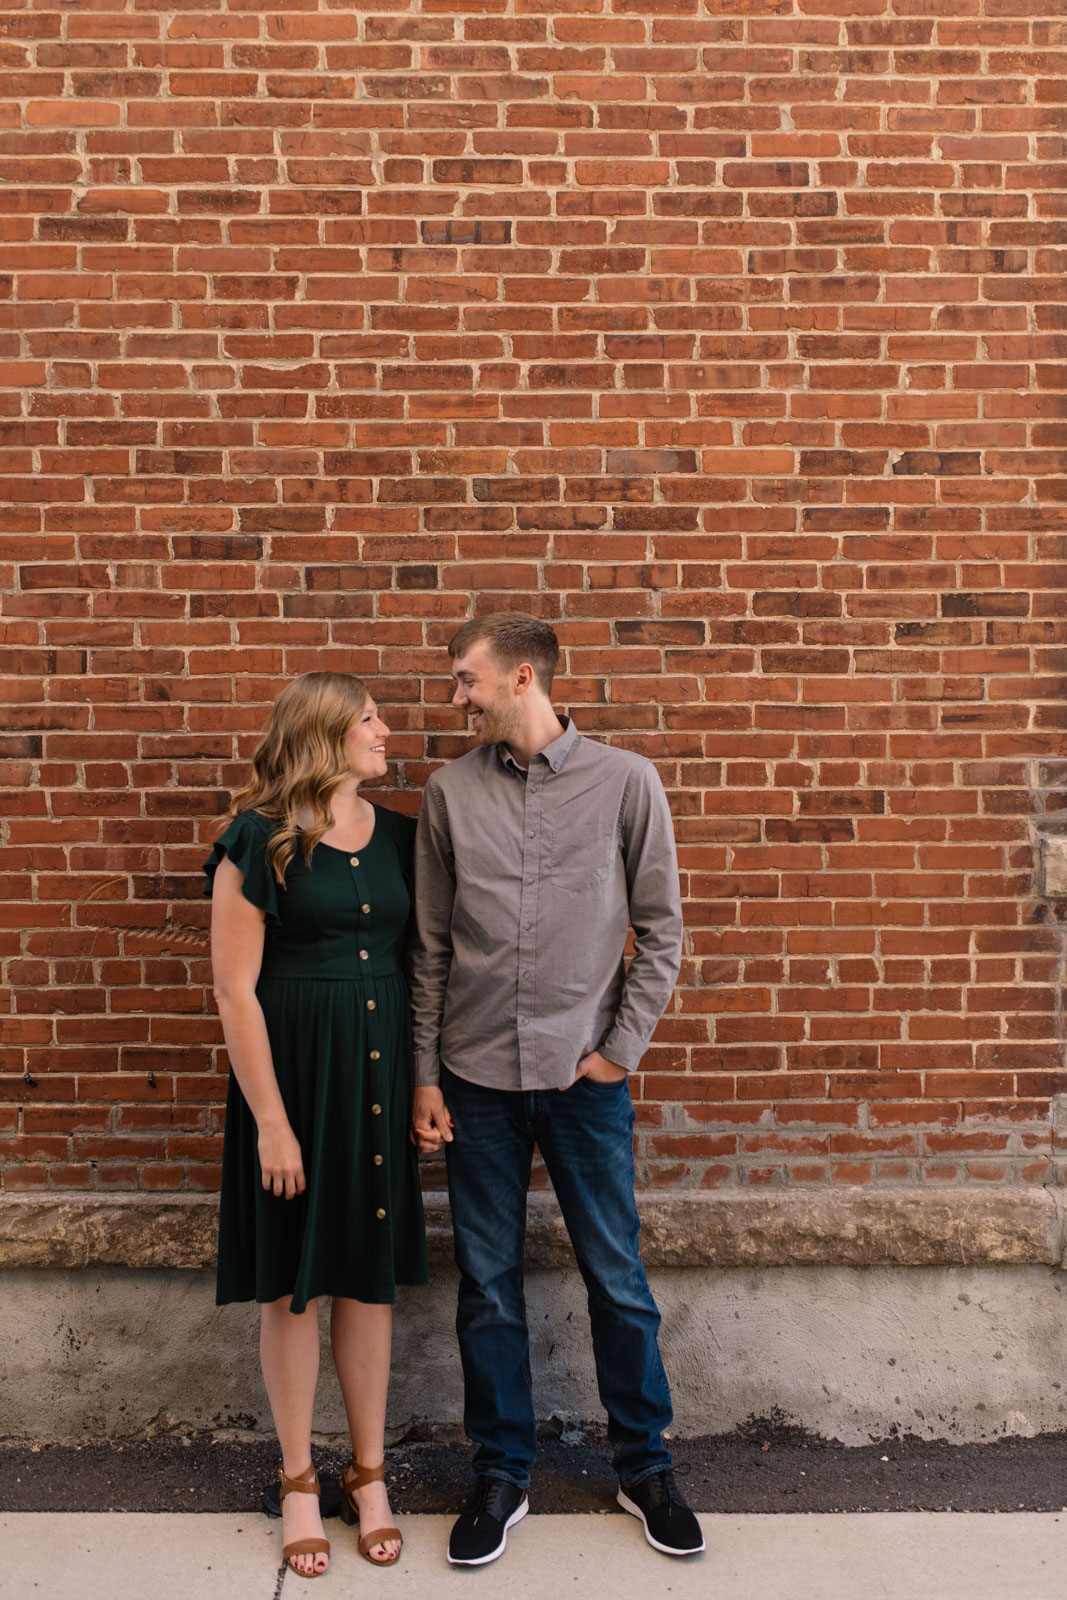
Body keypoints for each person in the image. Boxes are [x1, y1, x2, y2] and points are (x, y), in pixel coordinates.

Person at [409, 614, 704, 1566]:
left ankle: (643, 1466)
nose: (456, 697)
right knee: (487, 1287)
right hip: (475, 1076)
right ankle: (501, 1472)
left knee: (617, 1279)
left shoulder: (626, 782)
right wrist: (423, 1073)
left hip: (585, 1079)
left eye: (466, 681)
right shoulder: (449, 793)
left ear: (521, 677)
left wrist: (617, 1053)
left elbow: (661, 931)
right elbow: (431, 950)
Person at [204, 672, 427, 1578]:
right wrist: (271, 1122)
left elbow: (424, 969)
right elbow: (232, 989)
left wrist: (421, 1087)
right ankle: (298, 1478)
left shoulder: (405, 839)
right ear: (325, 735)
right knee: (293, 1282)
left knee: (366, 1278)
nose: (385, 730)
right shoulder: (257, 841)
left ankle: (366, 1475)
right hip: (291, 1078)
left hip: (378, 1070)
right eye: (368, 718)